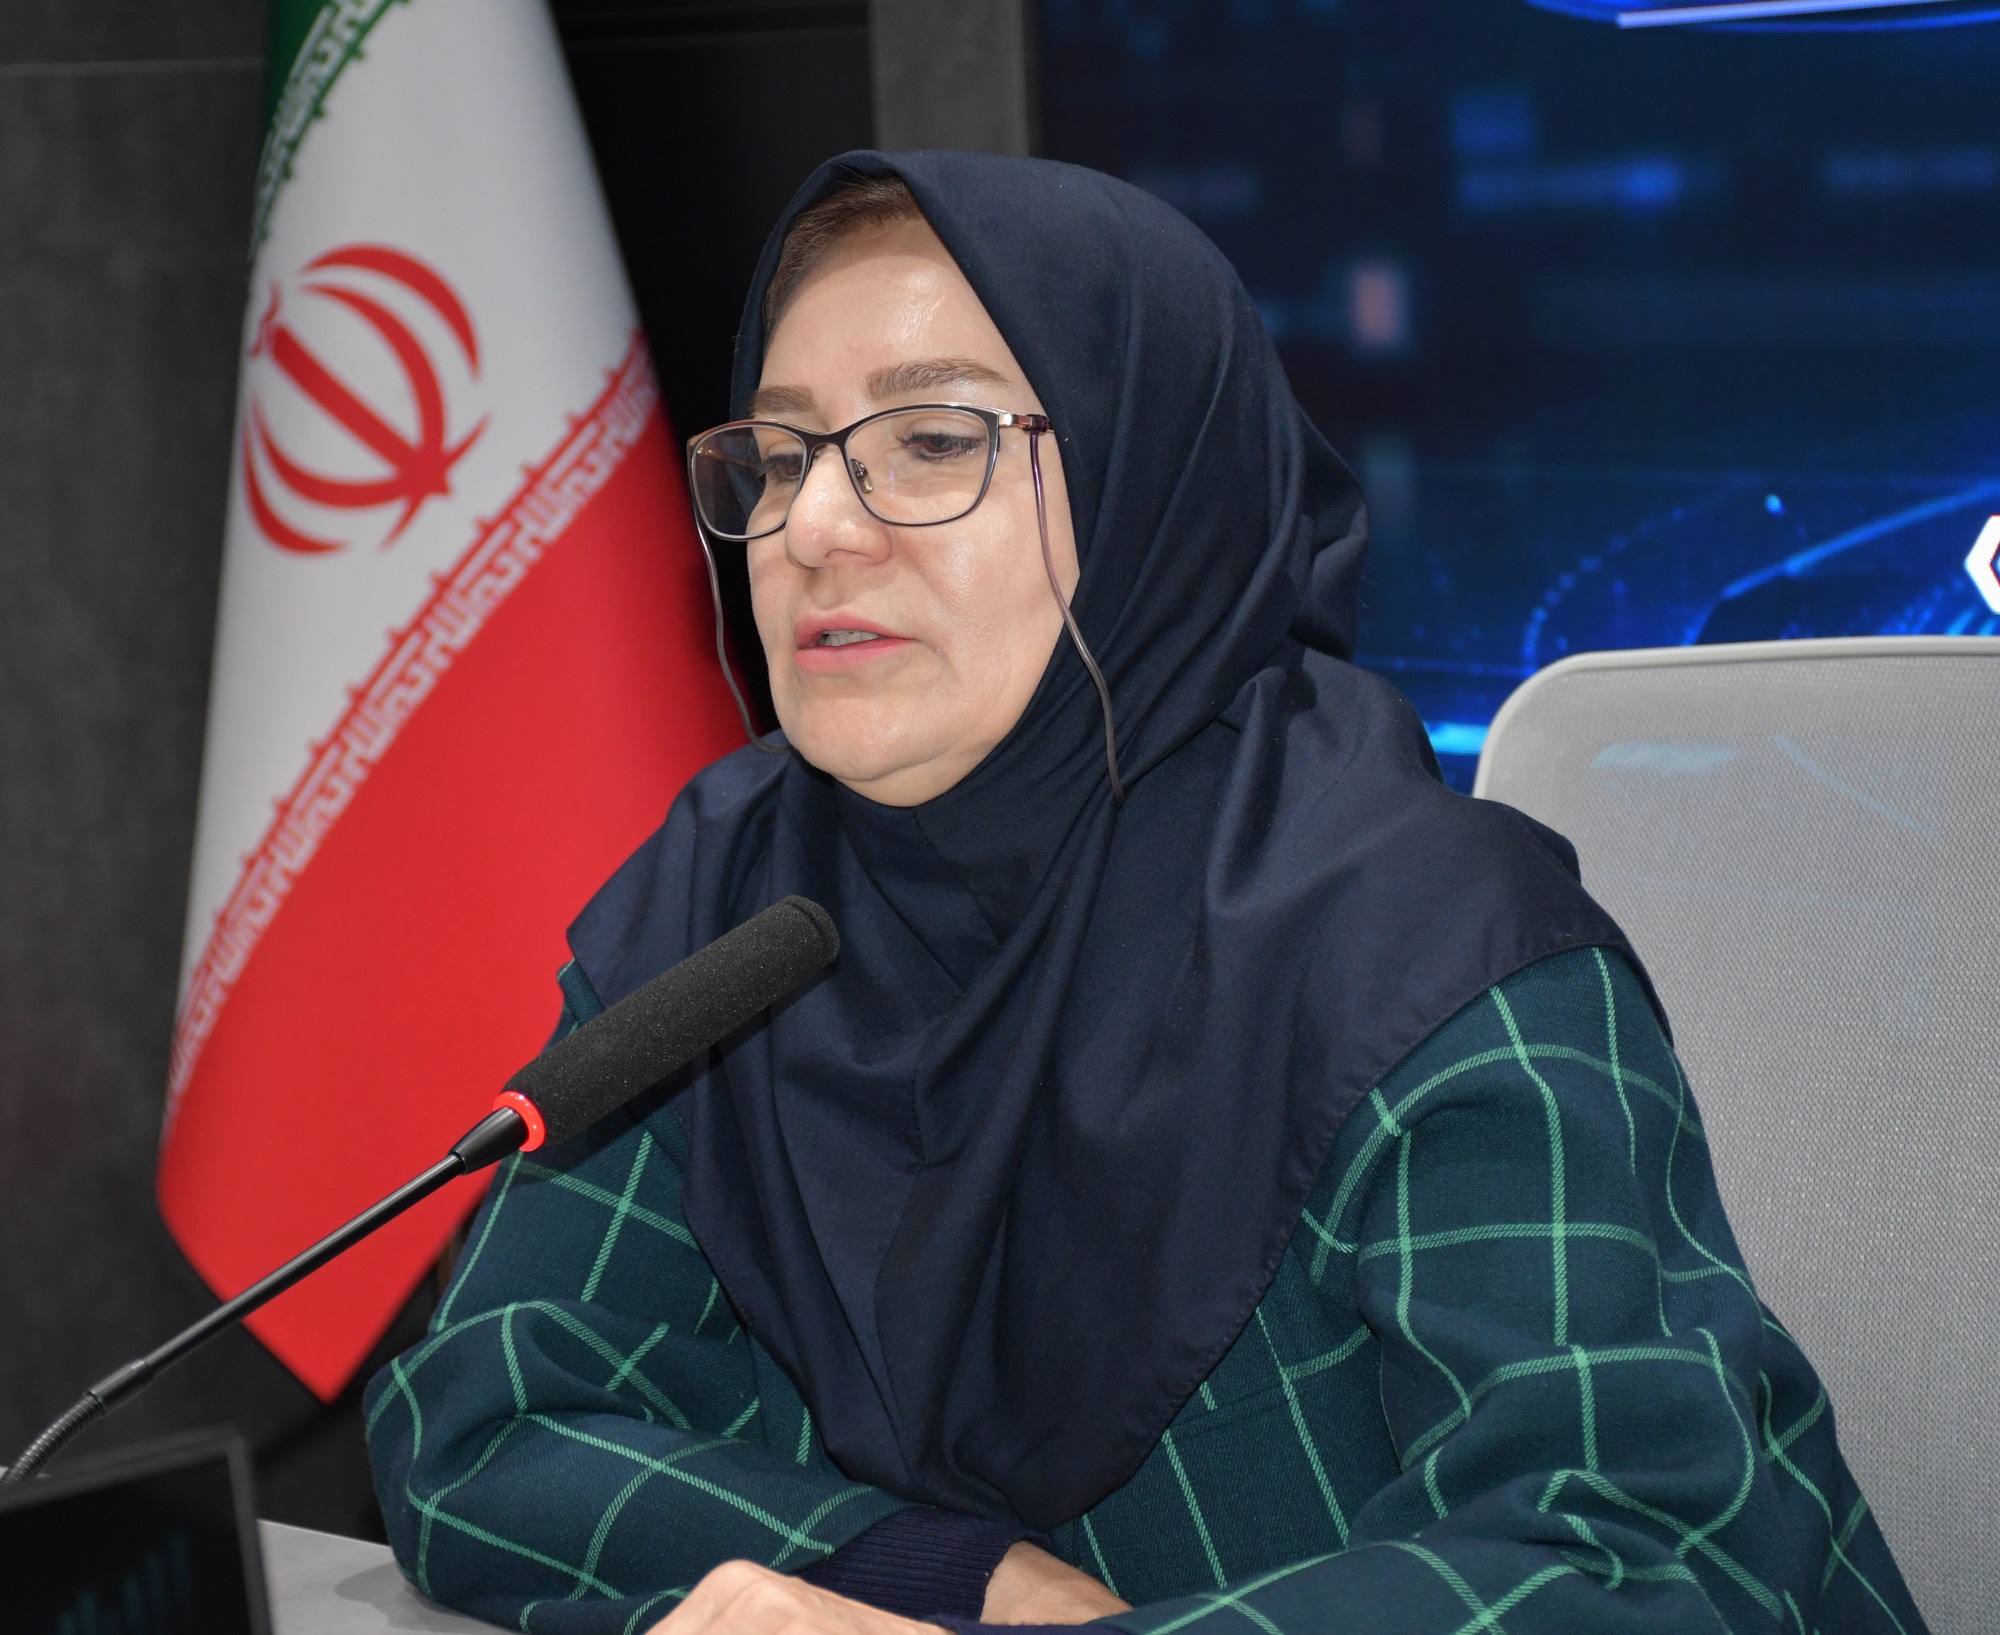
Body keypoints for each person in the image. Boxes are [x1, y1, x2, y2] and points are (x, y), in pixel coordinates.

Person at [365, 151, 1925, 1635]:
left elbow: (1635, 1565)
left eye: (931, 442)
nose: (815, 530)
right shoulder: (735, 901)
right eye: (779, 458)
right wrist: (943, 1571)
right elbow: (482, 1420)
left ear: (1148, 480)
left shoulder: (1420, 944)